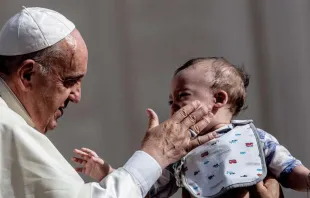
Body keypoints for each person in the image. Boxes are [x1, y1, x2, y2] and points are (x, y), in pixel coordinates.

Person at [0, 7, 216, 198]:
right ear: (28, 75)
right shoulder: (6, 126)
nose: (77, 96)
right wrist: (155, 154)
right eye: (69, 81)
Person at [74, 57, 288, 198]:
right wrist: (106, 172)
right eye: (170, 101)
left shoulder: (252, 137)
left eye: (182, 96)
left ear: (219, 98)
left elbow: (288, 168)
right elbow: (147, 188)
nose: (174, 105)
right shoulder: (181, 151)